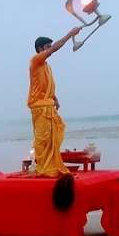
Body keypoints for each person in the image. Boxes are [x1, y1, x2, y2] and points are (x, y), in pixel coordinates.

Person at [27, 28, 80, 177]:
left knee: (54, 136)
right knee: (42, 138)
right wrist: (70, 35)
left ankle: (52, 166)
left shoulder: (46, 66)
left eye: (50, 47)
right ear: (40, 49)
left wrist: (55, 98)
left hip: (48, 105)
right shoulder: (35, 60)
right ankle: (42, 167)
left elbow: (45, 84)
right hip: (39, 106)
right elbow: (55, 48)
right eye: (47, 47)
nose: (50, 49)